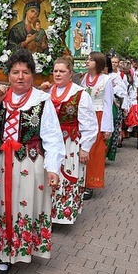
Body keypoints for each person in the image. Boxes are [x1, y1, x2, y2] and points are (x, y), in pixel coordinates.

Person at [0, 49, 65, 274]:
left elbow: (52, 136)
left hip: (30, 164)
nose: (20, 76)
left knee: (23, 207)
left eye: (25, 72)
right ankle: (3, 255)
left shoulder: (42, 100)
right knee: (0, 205)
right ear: (8, 75)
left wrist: (53, 168)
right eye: (15, 72)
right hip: (0, 164)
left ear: (32, 75)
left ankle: (21, 250)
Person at [40, 57, 97, 224]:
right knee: (50, 175)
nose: (58, 74)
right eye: (55, 71)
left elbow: (90, 124)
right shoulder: (47, 92)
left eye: (62, 71)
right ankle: (48, 214)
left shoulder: (80, 94)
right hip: (50, 143)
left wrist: (85, 147)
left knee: (67, 177)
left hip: (69, 144)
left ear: (70, 74)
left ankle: (63, 215)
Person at [80, 51, 114, 199]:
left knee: (95, 151)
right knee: (83, 148)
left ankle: (91, 184)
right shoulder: (83, 79)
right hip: (84, 116)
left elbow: (108, 104)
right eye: (87, 59)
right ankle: (81, 181)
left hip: (99, 115)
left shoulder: (106, 80)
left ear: (98, 63)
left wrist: (106, 127)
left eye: (91, 60)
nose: (87, 61)